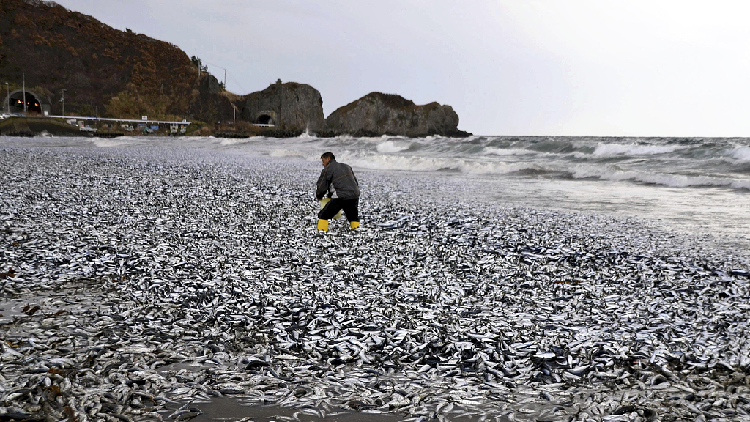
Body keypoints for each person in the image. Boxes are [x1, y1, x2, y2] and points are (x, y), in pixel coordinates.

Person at [315, 152, 360, 231]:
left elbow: (322, 184)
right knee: (352, 216)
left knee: (323, 215)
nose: (322, 163)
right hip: (354, 194)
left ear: (328, 158)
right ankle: (356, 230)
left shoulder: (328, 168)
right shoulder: (346, 166)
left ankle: (321, 232)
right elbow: (354, 181)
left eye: (323, 161)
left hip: (341, 196)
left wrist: (319, 195)